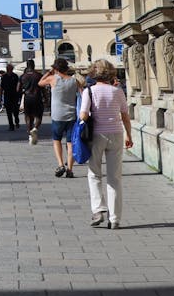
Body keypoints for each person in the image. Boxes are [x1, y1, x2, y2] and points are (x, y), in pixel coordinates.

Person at [81, 60, 133, 229]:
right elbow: (125, 115)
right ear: (110, 73)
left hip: (96, 135)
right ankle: (115, 218)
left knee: (94, 173)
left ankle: (98, 210)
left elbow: (83, 116)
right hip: (116, 134)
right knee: (115, 177)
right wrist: (129, 135)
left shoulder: (89, 91)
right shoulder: (117, 92)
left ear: (93, 73)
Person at [40, 58, 82, 178]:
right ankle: (69, 168)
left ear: (56, 69)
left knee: (57, 139)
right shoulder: (74, 81)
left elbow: (40, 82)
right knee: (70, 143)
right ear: (66, 68)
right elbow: (81, 92)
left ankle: (60, 164)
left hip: (57, 115)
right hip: (71, 115)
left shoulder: (52, 79)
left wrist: (49, 71)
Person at [19, 59, 45, 144]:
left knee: (28, 116)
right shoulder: (38, 75)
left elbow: (18, 89)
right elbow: (43, 88)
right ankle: (35, 129)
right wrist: (46, 98)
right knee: (38, 116)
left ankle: (30, 135)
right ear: (33, 66)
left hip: (27, 98)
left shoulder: (23, 76)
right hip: (37, 97)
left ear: (27, 66)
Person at [0, 63, 21, 131]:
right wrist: (0, 96)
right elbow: (1, 87)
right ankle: (11, 125)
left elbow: (18, 85)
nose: (10, 69)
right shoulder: (4, 77)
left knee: (15, 110)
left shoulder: (15, 76)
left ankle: (16, 120)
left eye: (11, 68)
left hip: (14, 95)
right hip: (7, 95)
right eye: (9, 68)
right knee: (8, 112)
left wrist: (18, 93)